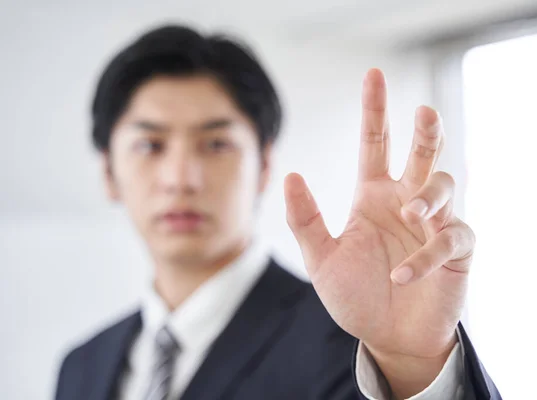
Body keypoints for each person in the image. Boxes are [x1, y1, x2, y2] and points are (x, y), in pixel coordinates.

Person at [54, 25, 501, 400]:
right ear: (109, 172)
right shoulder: (81, 368)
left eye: (215, 144)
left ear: (264, 165)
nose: (181, 178)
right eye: (150, 145)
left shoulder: (355, 340)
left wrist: (414, 364)